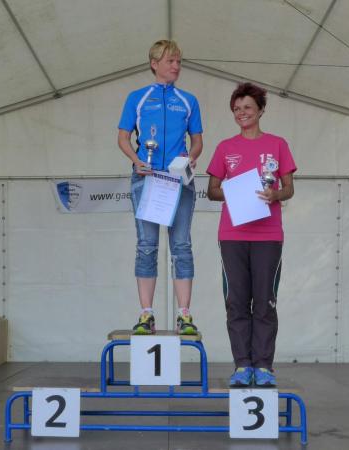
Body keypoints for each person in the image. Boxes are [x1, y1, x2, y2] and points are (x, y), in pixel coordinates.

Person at [206, 82, 296, 388]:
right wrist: (236, 191)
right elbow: (212, 190)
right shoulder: (225, 148)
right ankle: (242, 365)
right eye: (236, 109)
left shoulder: (278, 145)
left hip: (268, 235)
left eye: (247, 107)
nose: (241, 113)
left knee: (265, 302)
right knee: (236, 301)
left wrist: (275, 194)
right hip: (232, 234)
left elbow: (289, 188)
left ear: (260, 110)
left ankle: (264, 366)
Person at [117, 40, 203, 335]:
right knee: (146, 246)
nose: (176, 66)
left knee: (182, 245)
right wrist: (136, 160)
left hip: (179, 181)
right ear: (154, 64)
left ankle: (184, 315)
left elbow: (197, 141)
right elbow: (123, 138)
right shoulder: (137, 98)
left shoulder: (188, 100)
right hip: (147, 178)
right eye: (170, 61)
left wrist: (189, 158)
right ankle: (146, 314)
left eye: (179, 61)